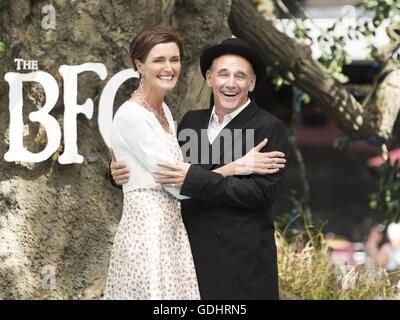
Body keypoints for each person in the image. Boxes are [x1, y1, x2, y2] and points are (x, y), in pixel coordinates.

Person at [110, 37, 289, 299]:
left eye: (240, 77)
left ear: (251, 83)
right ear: (209, 78)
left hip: (241, 263)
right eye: (223, 74)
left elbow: (260, 194)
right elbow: (166, 168)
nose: (230, 83)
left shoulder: (267, 127)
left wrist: (193, 179)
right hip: (188, 256)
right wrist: (118, 174)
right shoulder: (191, 122)